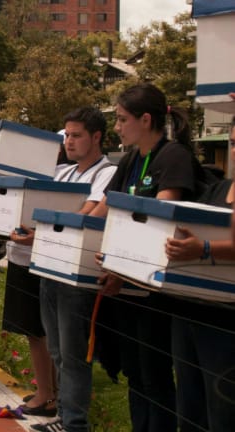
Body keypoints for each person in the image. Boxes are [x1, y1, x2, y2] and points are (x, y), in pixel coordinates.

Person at [91, 83, 201, 432]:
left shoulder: (174, 157)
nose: (118, 127)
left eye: (123, 120)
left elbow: (160, 223)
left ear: (146, 119)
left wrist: (124, 271)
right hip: (126, 284)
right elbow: (103, 209)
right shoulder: (130, 160)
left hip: (156, 289)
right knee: (135, 372)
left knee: (155, 375)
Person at [25, 107, 117, 432]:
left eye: (77, 135)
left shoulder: (107, 173)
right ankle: (63, 417)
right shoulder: (63, 173)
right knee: (57, 350)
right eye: (66, 135)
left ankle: (74, 423)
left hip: (77, 276)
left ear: (96, 137)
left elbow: (86, 215)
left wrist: (44, 224)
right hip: (50, 268)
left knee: (73, 354)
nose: (69, 141)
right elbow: (40, 207)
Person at [164, 118, 235, 432]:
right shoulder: (218, 188)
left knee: (223, 411)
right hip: (190, 310)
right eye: (234, 142)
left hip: (226, 321)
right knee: (191, 407)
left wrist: (205, 249)